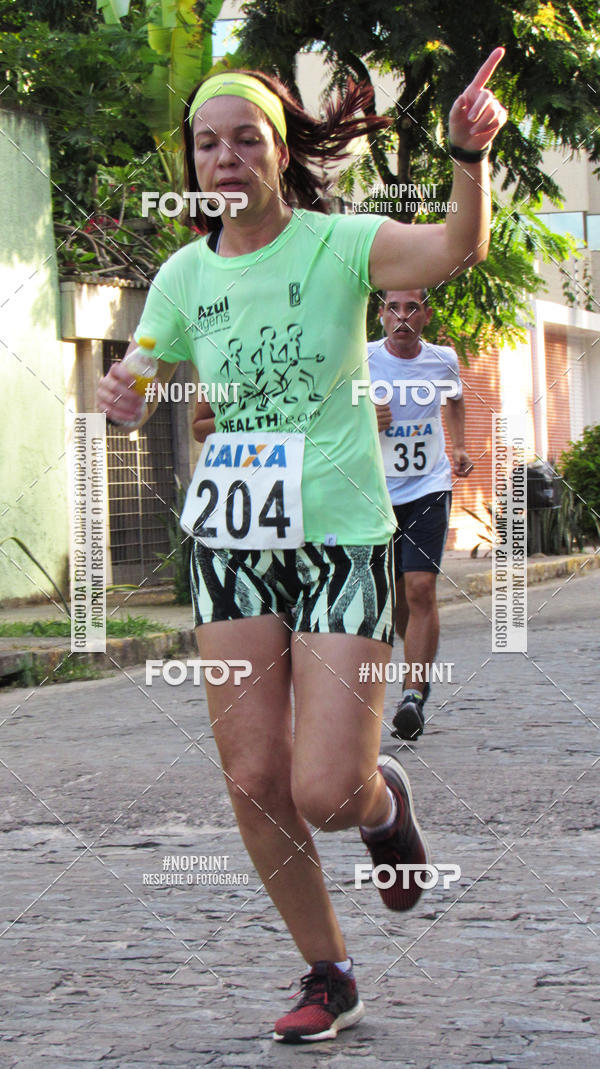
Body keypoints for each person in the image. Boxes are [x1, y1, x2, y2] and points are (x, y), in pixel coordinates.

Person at [97, 56, 506, 1043]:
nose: (226, 158)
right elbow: (145, 367)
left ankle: (381, 801)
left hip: (340, 534)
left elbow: (456, 244)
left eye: (247, 139)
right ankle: (331, 970)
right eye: (207, 143)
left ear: (282, 152)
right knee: (253, 776)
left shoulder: (341, 245)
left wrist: (466, 155)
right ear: (193, 162)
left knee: (325, 791)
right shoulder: (186, 274)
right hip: (236, 535)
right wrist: (126, 391)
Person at [369, 289, 473, 741]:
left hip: (429, 485)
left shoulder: (442, 360)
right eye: (393, 307)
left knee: (420, 587)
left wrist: (459, 445)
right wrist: (364, 415)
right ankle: (417, 667)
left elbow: (455, 399)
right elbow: (328, 410)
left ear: (426, 315)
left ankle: (412, 695)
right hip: (376, 492)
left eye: (412, 308)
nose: (402, 316)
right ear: (381, 315)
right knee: (396, 599)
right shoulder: (362, 359)